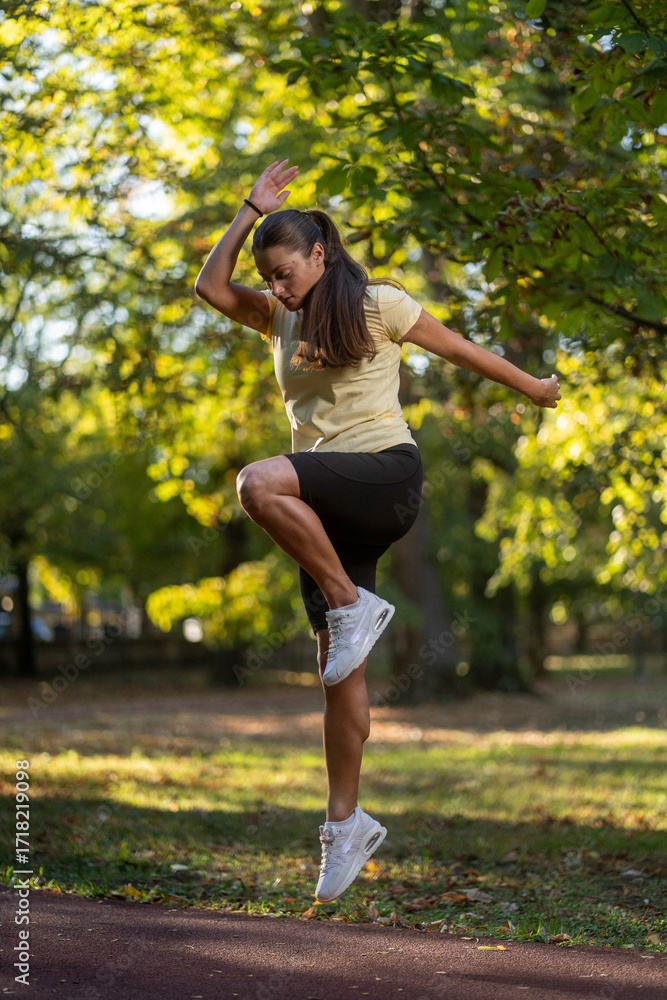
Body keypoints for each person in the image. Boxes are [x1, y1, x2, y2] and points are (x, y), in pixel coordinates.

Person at [194, 158, 561, 903]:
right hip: (321, 515)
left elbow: (459, 350)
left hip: (383, 476)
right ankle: (345, 824)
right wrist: (247, 210)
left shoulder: (379, 303)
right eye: (267, 278)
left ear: (318, 254)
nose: (275, 288)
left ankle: (351, 603)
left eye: (284, 273)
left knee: (256, 482)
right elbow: (209, 286)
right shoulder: (277, 318)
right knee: (339, 675)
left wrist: (534, 388)